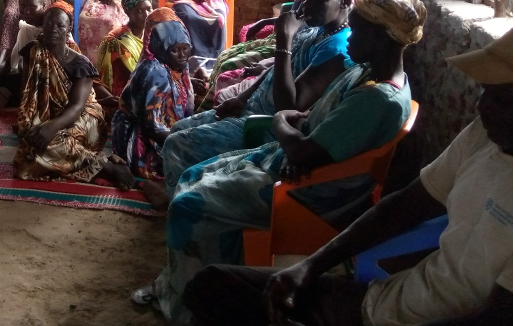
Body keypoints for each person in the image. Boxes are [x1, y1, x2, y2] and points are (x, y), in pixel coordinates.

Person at [185, 29, 513, 326]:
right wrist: (309, 267)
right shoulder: (482, 138)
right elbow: (403, 206)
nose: (483, 107)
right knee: (213, 285)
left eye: (500, 98)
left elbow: (494, 319)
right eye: (485, 92)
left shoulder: (377, 97)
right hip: (383, 303)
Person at [146, 0, 425, 324]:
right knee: (194, 176)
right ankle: (199, 279)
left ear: (382, 37)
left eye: (359, 29)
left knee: (187, 204)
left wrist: (285, 127)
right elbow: (314, 127)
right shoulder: (367, 74)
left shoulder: (377, 99)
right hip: (294, 164)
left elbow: (300, 137)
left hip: (308, 191)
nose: (350, 35)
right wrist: (298, 141)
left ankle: (186, 309)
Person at [155, 0, 365, 202]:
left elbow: (289, 106)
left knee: (177, 145)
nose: (306, 4)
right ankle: (182, 193)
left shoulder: (338, 49)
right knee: (178, 130)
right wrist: (243, 97)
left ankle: (184, 204)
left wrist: (284, 40)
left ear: (345, 2)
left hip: (267, 128)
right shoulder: (319, 28)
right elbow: (277, 69)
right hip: (252, 108)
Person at [14, 4, 136, 190]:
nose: (53, 29)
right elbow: (27, 94)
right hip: (50, 116)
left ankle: (104, 166)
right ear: (42, 25)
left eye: (60, 26)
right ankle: (94, 162)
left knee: (47, 144)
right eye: (49, 24)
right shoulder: (32, 52)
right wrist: (32, 122)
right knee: (26, 157)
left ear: (68, 29)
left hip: (84, 118)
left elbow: (77, 107)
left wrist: (50, 128)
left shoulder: (81, 64)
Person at [111, 17, 195, 180]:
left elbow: (186, 109)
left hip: (162, 128)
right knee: (186, 164)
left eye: (186, 48)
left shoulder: (177, 67)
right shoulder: (155, 73)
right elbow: (151, 125)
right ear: (161, 48)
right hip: (139, 133)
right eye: (175, 50)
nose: (182, 55)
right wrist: (183, 141)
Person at [95, 0, 154, 98]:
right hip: (125, 91)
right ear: (128, 12)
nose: (146, 15)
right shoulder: (119, 41)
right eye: (140, 11)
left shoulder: (149, 33)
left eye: (149, 9)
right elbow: (135, 76)